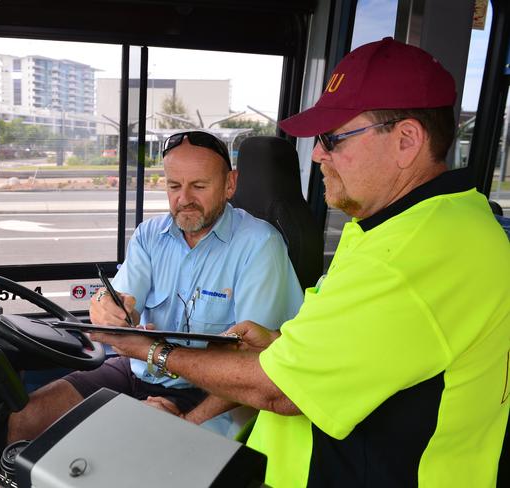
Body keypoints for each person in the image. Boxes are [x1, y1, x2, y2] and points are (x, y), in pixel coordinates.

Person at [90, 38, 510, 487]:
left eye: (333, 139)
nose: (317, 155)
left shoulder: (414, 253)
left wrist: (150, 349)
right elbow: (368, 351)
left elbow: (277, 389)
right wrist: (277, 343)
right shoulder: (408, 227)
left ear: (406, 140)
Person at [7, 130, 304, 442]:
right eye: (174, 186)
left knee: (126, 451)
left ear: (230, 184)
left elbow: (255, 370)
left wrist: (187, 422)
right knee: (27, 418)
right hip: (139, 369)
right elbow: (125, 306)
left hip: (211, 392)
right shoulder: (150, 235)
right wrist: (111, 312)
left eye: (199, 186)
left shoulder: (260, 246)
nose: (184, 199)